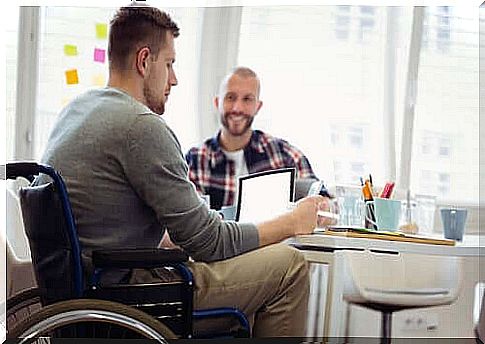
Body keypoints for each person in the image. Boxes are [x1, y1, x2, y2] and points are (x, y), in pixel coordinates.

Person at [39, 4, 330, 337]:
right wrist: (293, 222)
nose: (174, 79)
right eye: (170, 64)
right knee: (289, 266)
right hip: (131, 297)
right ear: (144, 61)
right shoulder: (140, 126)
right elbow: (210, 242)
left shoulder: (77, 110)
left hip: (88, 290)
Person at [186, 67, 318, 210]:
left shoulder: (284, 155)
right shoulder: (196, 160)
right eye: (230, 97)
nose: (238, 108)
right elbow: (189, 220)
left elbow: (321, 200)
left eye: (247, 99)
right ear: (218, 103)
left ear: (258, 106)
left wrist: (321, 205)